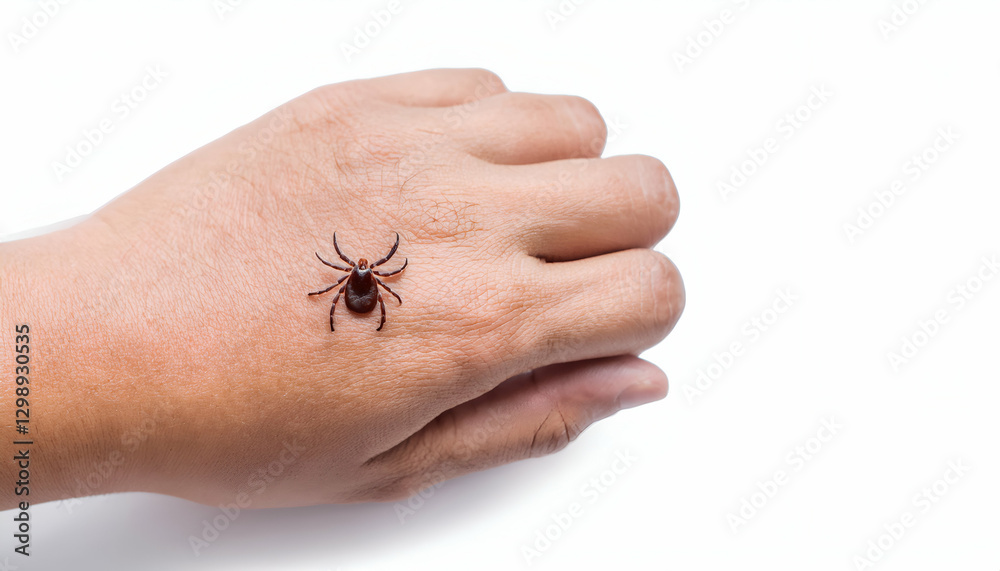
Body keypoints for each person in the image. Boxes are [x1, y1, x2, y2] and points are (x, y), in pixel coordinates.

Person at [0, 68, 683, 510]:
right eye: (358, 272)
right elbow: (378, 280)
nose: (359, 275)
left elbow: (351, 280)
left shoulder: (353, 282)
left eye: (363, 273)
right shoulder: (373, 281)